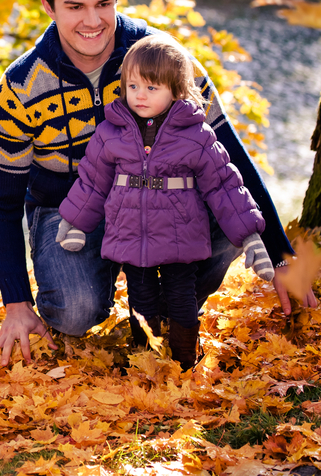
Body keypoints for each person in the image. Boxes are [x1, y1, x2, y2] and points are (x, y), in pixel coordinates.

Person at [0, 0, 318, 366]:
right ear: (49, 6)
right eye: (75, 7)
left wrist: (282, 255)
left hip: (166, 196)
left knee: (226, 211)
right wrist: (15, 302)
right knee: (74, 310)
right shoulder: (20, 87)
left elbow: (227, 158)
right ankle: (104, 288)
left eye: (104, 3)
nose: (92, 20)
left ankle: (164, 309)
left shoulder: (165, 59)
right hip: (68, 208)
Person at [56, 34, 274, 370]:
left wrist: (250, 235)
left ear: (176, 90)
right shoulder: (112, 132)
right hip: (131, 235)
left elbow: (224, 185)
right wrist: (75, 223)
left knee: (182, 298)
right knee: (141, 300)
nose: (140, 96)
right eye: (133, 86)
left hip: (179, 234)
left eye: (152, 88)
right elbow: (93, 182)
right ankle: (147, 359)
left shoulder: (196, 135)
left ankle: (185, 359)